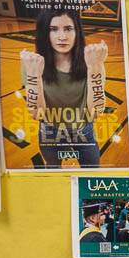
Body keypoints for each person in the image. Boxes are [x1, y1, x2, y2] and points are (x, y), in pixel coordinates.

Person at [20, 9, 108, 168]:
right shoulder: (33, 62)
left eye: (68, 29)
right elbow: (36, 113)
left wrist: (94, 67)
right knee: (53, 167)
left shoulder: (92, 61)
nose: (62, 36)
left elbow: (95, 112)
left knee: (93, 168)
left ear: (77, 31)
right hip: (50, 130)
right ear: (44, 34)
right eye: (53, 29)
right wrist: (34, 75)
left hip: (83, 129)